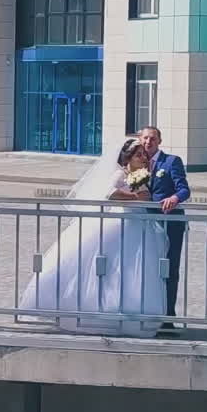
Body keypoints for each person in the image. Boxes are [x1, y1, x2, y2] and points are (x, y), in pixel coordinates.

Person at [18, 138, 167, 336]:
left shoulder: (141, 174)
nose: (143, 158)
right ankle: (93, 308)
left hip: (138, 225)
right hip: (121, 223)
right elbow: (110, 194)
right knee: (108, 267)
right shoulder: (120, 174)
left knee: (132, 270)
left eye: (144, 155)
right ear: (128, 158)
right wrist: (134, 197)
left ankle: (130, 312)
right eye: (138, 155)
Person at [139, 126, 191, 328]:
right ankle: (147, 312)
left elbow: (184, 189)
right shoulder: (136, 162)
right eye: (145, 138)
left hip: (170, 224)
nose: (148, 142)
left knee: (169, 268)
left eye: (152, 138)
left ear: (159, 141)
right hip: (145, 225)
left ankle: (168, 316)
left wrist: (174, 198)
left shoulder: (171, 161)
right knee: (147, 269)